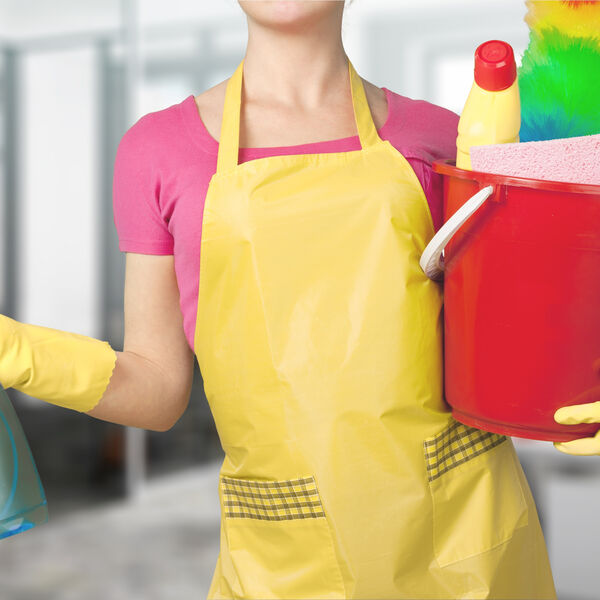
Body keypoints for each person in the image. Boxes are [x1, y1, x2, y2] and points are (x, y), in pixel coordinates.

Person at [1, 1, 597, 597]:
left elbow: (530, 325)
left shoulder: (442, 137)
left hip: (467, 549)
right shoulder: (158, 151)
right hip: (284, 560)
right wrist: (16, 350)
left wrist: (582, 384)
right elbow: (156, 391)